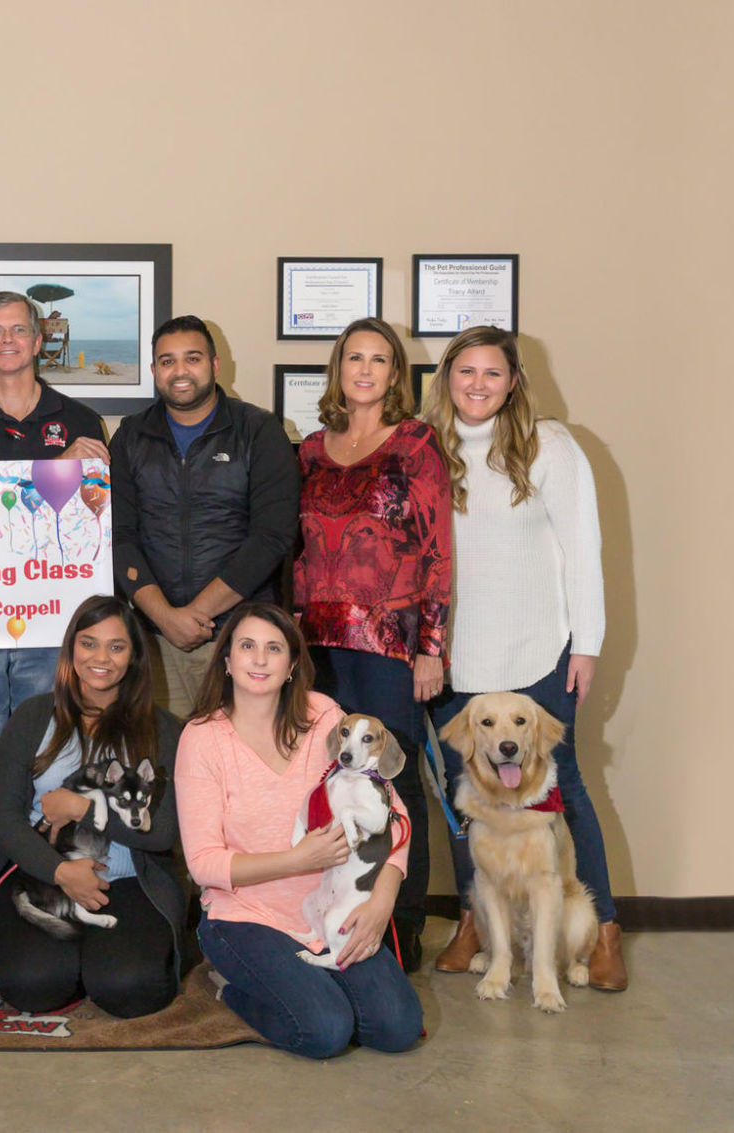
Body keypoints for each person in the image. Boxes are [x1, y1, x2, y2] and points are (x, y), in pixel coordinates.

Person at [422, 326, 623, 988]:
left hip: (538, 648)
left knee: (562, 784)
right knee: (466, 792)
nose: (477, 384)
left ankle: (604, 936)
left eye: (492, 373)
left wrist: (586, 644)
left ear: (513, 381)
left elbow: (582, 553)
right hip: (457, 654)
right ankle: (477, 920)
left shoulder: (550, 447)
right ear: (447, 377)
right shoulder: (426, 450)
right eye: (465, 371)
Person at [178, 603, 422, 1058]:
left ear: (292, 665)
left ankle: (307, 984)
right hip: (246, 915)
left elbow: (396, 814)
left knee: (397, 1028)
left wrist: (382, 901)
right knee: (325, 1031)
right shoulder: (202, 738)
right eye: (246, 646)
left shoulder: (325, 716)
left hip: (333, 907)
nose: (259, 659)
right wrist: (297, 860)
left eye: (274, 648)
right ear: (227, 660)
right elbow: (203, 863)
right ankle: (229, 991)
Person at [0, 290, 108, 900]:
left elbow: (91, 522)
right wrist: (58, 464)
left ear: (37, 342)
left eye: (18, 330)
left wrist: (89, 469)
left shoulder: (82, 421)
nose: (7, 340)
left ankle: (49, 901)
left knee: (51, 775)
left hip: (49, 626)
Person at [293, 316, 449, 971]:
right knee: (329, 779)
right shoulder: (307, 450)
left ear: (394, 373)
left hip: (390, 643)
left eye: (378, 359)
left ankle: (398, 929)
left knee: (395, 784)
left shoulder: (415, 443)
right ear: (338, 370)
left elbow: (438, 549)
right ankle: (333, 912)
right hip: (318, 646)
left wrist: (432, 646)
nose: (364, 369)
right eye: (352, 357)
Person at [0, 595, 191, 1018]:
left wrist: (80, 808)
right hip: (44, 875)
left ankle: (105, 959)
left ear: (134, 657)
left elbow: (162, 833)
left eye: (117, 647)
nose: (101, 658)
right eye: (89, 643)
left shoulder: (164, 729)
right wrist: (59, 872)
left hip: (130, 882)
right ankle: (73, 962)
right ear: (71, 648)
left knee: (131, 991)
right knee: (32, 988)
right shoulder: (34, 716)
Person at [111, 314, 300, 719]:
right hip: (154, 641)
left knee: (244, 764)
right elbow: (119, 535)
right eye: (167, 361)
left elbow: (272, 537)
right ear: (153, 371)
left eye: (192, 359)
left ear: (215, 365)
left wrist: (196, 614)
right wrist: (165, 617)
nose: (179, 371)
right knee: (166, 767)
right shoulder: (130, 436)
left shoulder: (259, 430)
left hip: (240, 637)